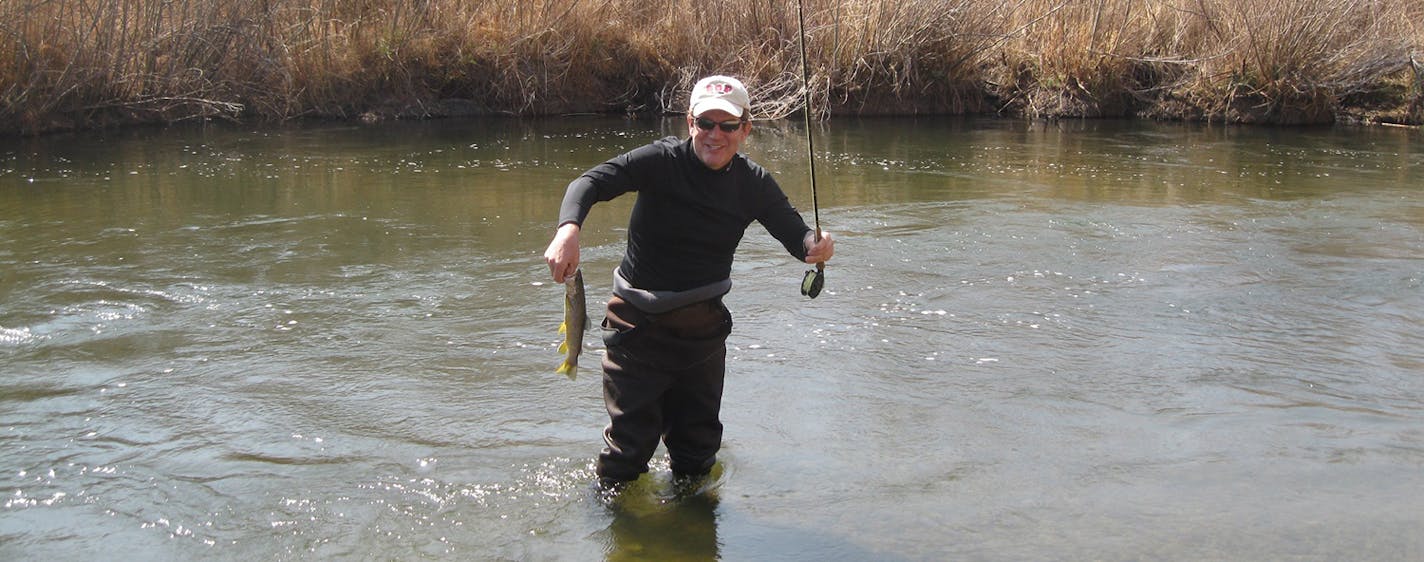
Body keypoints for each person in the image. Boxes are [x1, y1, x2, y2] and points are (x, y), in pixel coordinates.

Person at [543, 75, 835, 486]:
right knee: (627, 456)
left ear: (745, 130)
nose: (715, 135)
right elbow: (587, 183)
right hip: (636, 329)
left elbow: (797, 236)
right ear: (689, 122)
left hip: (704, 334)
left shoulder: (754, 184)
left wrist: (816, 245)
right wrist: (567, 229)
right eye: (706, 123)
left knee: (697, 458)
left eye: (728, 125)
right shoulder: (660, 162)